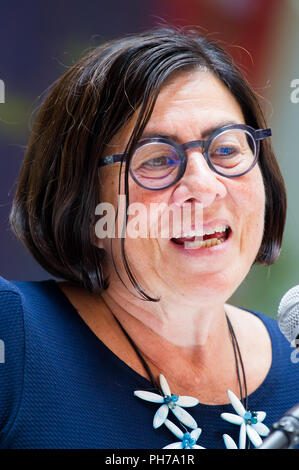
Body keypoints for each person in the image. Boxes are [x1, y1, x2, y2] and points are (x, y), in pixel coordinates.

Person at [0, 26, 297, 450]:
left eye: (227, 150)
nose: (205, 186)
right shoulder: (11, 337)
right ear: (85, 207)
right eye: (157, 159)